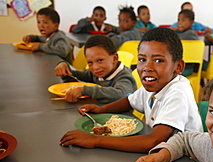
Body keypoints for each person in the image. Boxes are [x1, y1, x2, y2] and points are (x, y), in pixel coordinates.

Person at [59, 27, 203, 152]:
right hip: (166, 153)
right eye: (142, 59)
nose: (147, 67)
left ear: (178, 67)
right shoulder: (154, 85)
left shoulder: (177, 92)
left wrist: (95, 140)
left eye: (158, 60)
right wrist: (101, 110)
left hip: (187, 161)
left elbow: (154, 141)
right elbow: (129, 101)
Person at [54, 34, 136, 103]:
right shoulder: (97, 73)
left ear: (114, 58)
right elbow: (74, 76)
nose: (95, 67)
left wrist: (84, 90)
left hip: (120, 118)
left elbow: (120, 94)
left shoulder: (125, 77)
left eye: (100, 60)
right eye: (90, 63)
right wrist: (64, 67)